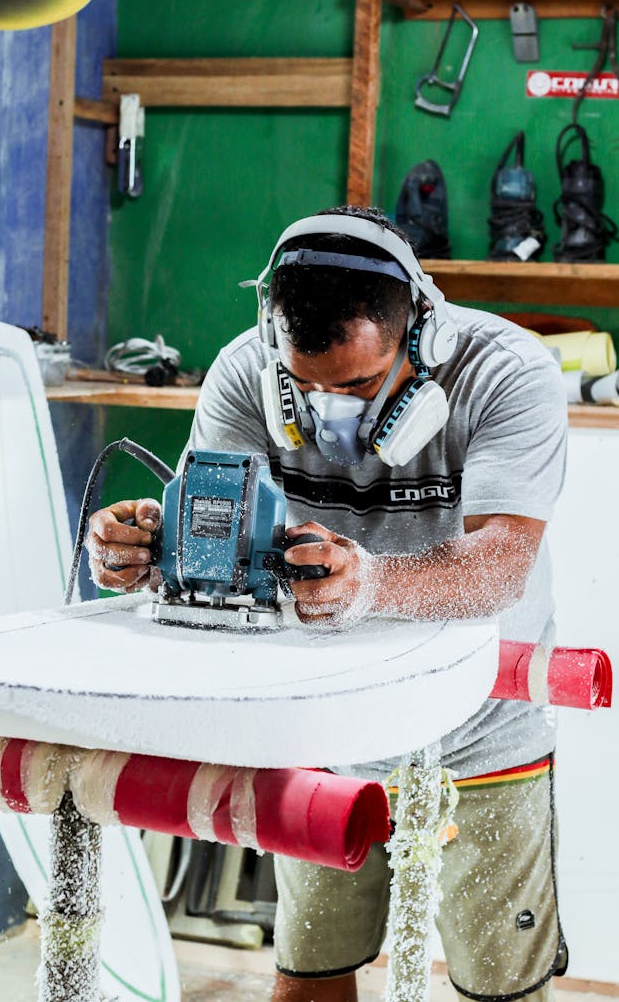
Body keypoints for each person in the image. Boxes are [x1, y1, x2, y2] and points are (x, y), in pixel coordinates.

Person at [87, 205, 569, 1002]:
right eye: (304, 385)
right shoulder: (246, 371)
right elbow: (218, 528)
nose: (327, 409)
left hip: (484, 729)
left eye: (356, 384)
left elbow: (502, 566)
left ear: (420, 328)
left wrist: (372, 584)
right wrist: (155, 553)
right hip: (326, 726)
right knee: (309, 973)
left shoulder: (504, 372)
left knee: (500, 987)